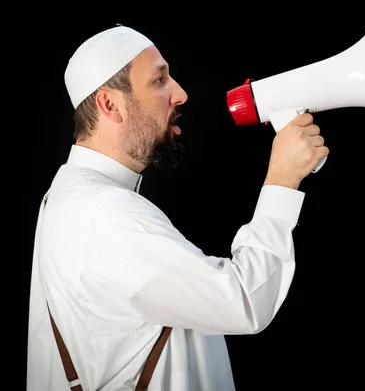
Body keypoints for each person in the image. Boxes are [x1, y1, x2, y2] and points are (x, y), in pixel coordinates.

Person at [27, 24, 329, 390]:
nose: (181, 94)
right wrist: (283, 179)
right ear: (109, 104)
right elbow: (245, 302)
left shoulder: (69, 195)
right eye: (159, 81)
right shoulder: (105, 216)